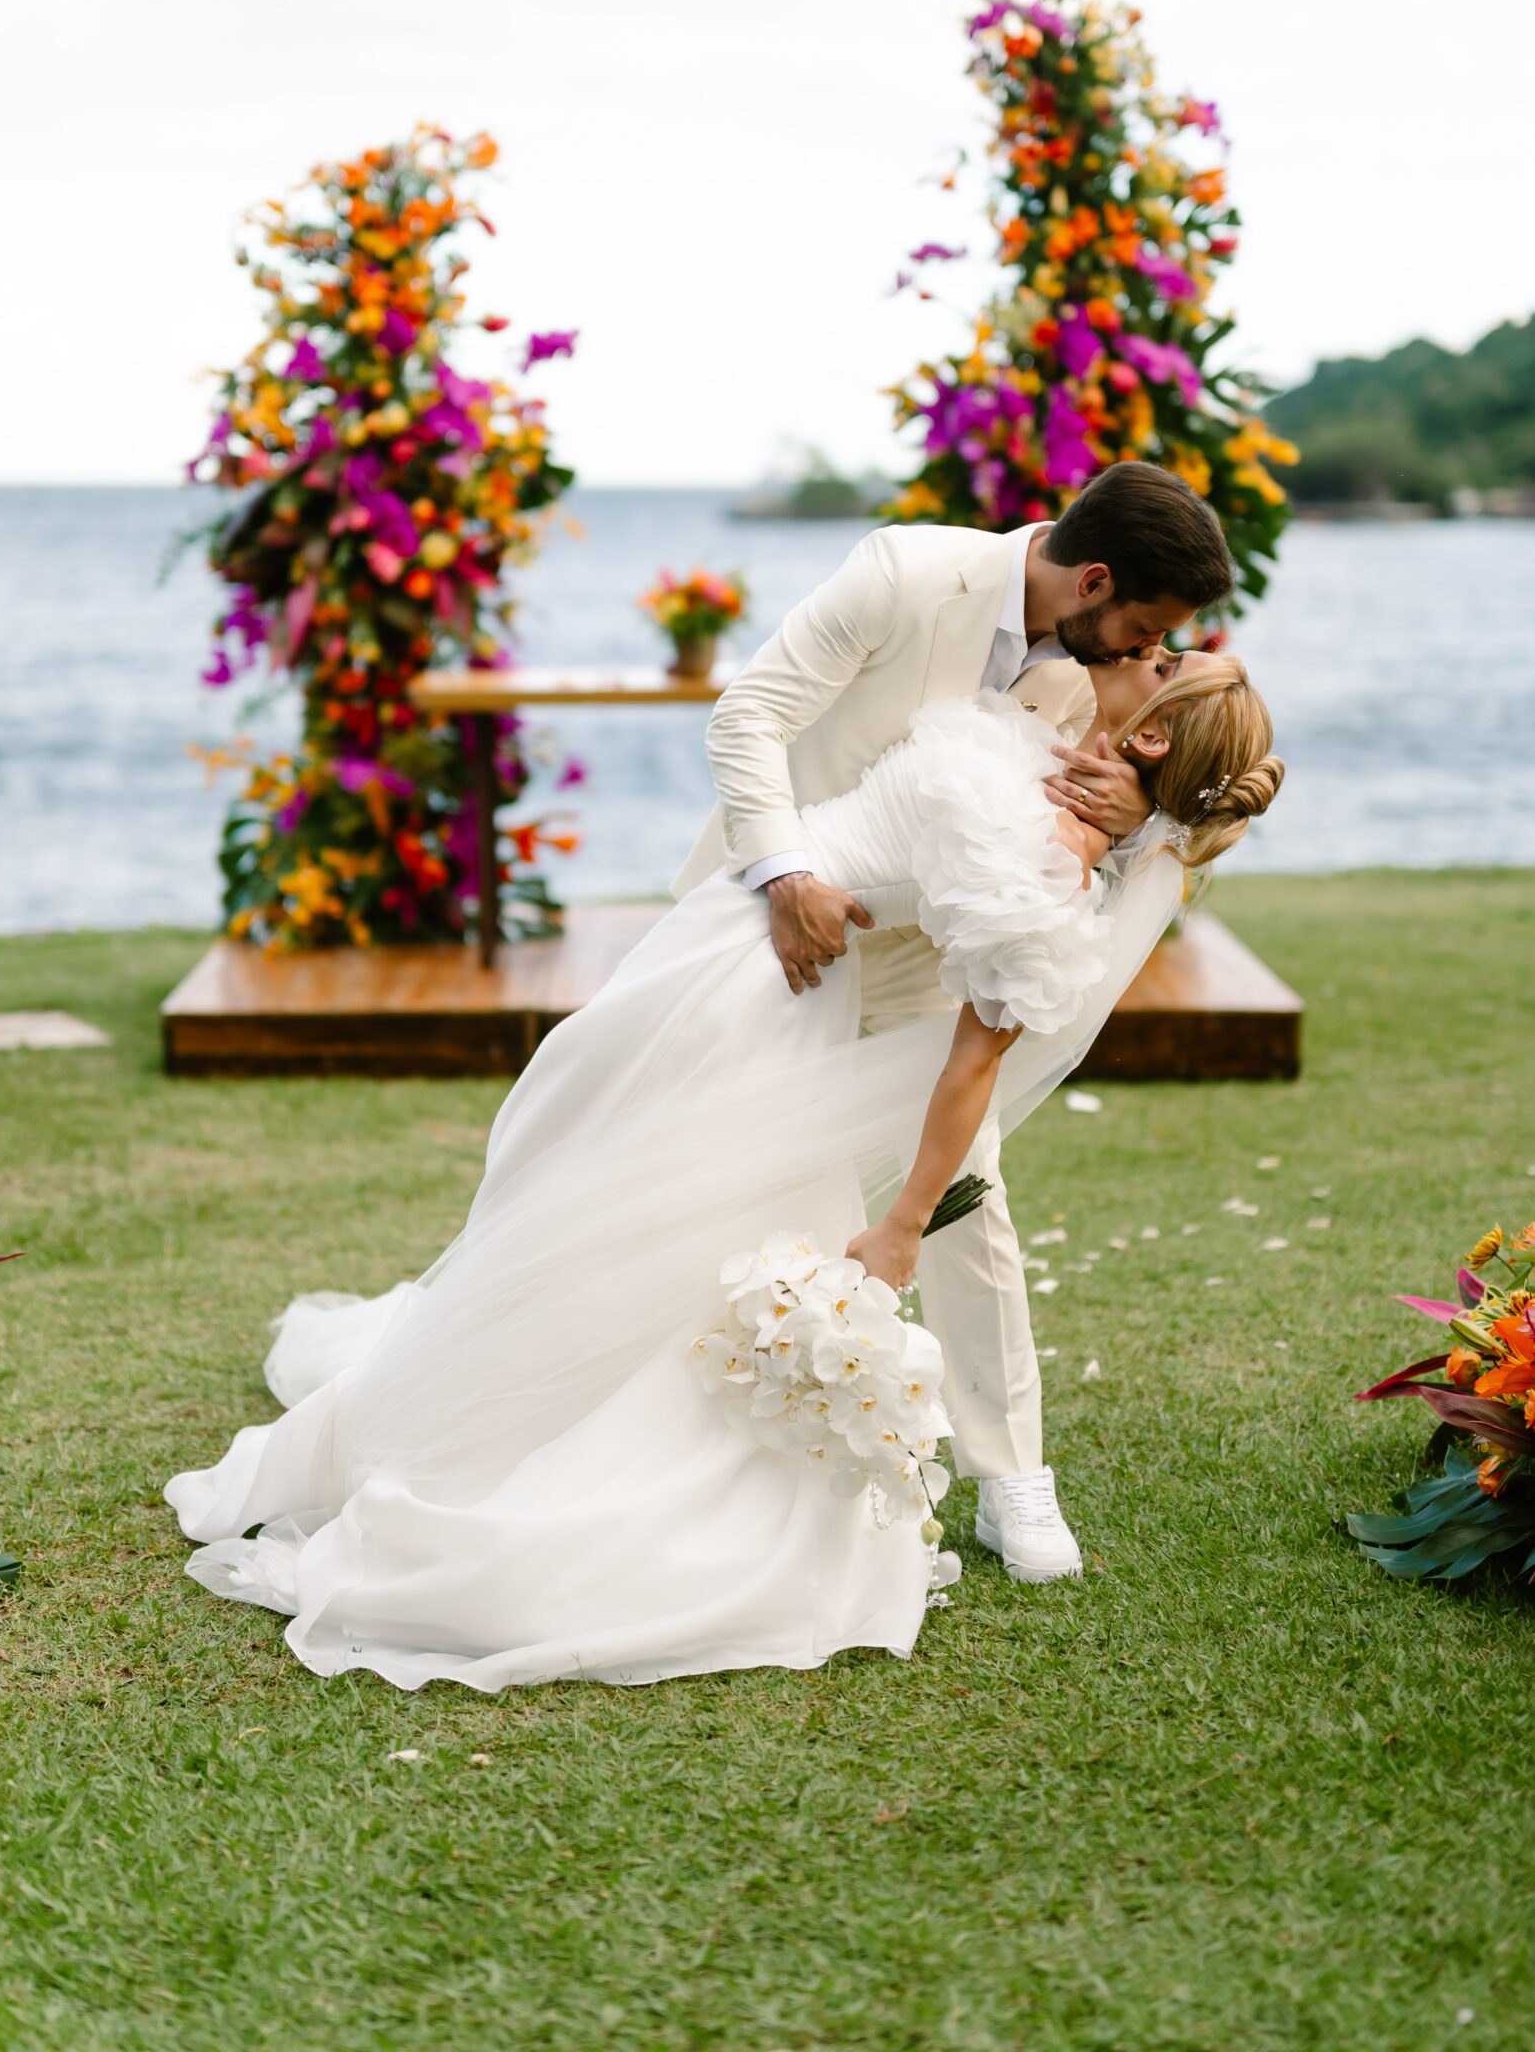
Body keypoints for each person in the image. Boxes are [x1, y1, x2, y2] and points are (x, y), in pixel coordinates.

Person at [166, 641, 1281, 1693]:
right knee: (597, 1196)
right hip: (732, 943)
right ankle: (487, 1415)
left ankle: (552, 1465)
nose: (1144, 651)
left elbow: (970, 1070)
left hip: (773, 993)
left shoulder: (1044, 875)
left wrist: (902, 1226)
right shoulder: (1047, 741)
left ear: (1151, 738)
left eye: (1161, 661)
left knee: (663, 1234)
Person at [672, 461, 1235, 1582]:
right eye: (1145, 629)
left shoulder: (1104, 665)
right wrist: (786, 876)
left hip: (939, 949)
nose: (1148, 651)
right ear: (1094, 580)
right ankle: (700, 1436)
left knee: (967, 1189)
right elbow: (749, 717)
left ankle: (1010, 1473)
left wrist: (1136, 805)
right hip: (779, 920)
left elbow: (1156, 778)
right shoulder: (904, 573)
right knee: (707, 1174)